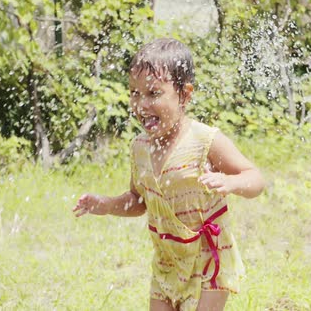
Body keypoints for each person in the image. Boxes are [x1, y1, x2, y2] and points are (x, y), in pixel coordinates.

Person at [72, 38, 265, 311]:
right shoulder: (139, 149)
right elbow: (138, 201)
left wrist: (230, 181)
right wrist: (104, 205)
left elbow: (255, 179)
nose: (141, 104)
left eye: (153, 94)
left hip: (208, 258)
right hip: (168, 261)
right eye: (134, 93)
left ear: (184, 95)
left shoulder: (205, 141)